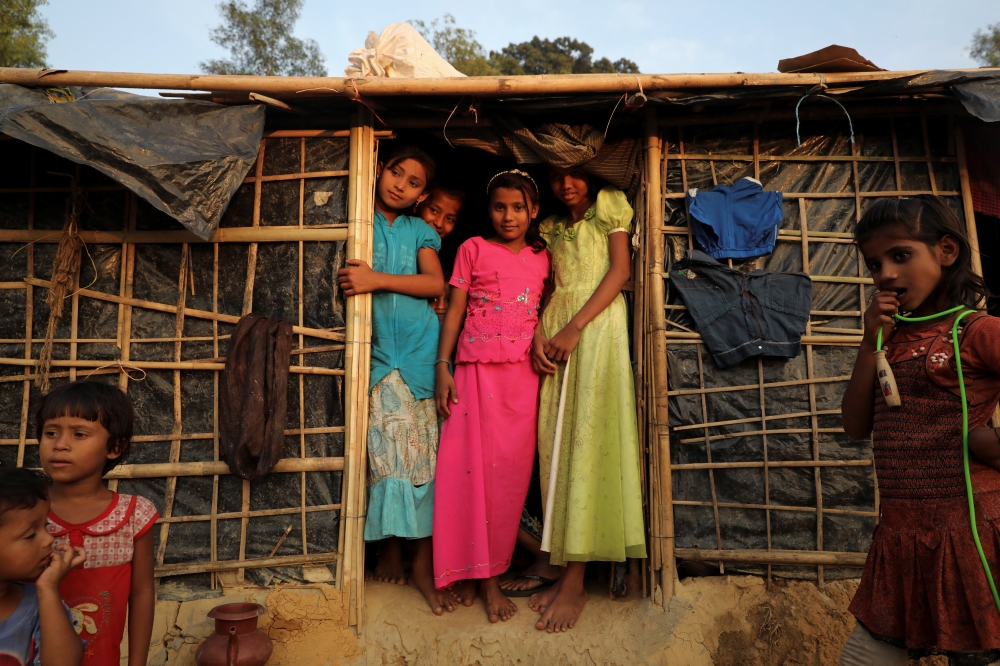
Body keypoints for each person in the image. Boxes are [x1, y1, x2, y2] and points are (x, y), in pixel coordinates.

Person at [840, 196, 1000, 665]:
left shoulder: (975, 331)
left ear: (946, 252)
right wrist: (871, 341)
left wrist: (987, 442)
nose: (885, 274)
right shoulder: (889, 338)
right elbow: (854, 425)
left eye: (900, 255)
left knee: (975, 658)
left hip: (967, 534)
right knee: (863, 659)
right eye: (874, 264)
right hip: (903, 539)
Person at [527, 165, 646, 633]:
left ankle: (576, 580)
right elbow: (551, 287)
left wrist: (575, 327)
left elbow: (620, 272)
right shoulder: (553, 227)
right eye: (556, 177)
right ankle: (559, 564)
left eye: (576, 175)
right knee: (554, 445)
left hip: (595, 329)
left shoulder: (609, 208)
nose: (566, 184)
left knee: (585, 441)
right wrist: (539, 332)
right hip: (558, 326)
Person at [337, 146, 452, 615]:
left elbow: (434, 286)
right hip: (380, 356)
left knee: (424, 456)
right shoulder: (356, 218)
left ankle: (420, 564)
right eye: (395, 173)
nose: (399, 185)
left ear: (421, 195)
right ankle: (388, 546)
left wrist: (375, 280)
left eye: (412, 182)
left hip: (423, 353)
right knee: (385, 451)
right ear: (380, 169)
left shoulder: (420, 229)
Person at [432, 170, 551, 623]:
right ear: (490, 210)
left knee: (508, 484)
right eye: (500, 207)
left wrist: (539, 336)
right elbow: (456, 310)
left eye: (518, 208)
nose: (508, 216)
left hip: (522, 380)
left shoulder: (544, 257)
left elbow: (539, 310)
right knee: (471, 476)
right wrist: (443, 368)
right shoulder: (471, 249)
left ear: (533, 211)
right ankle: (483, 580)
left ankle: (495, 565)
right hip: (474, 375)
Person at [37, 380, 157, 666]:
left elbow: (142, 593)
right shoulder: (25, 509)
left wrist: (137, 663)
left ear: (114, 447)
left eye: (79, 434)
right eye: (50, 432)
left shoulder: (133, 515)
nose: (60, 445)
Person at [0, 467, 86, 666]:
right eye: (30, 534)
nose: (49, 539)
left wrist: (47, 589)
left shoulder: (43, 606)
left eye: (45, 526)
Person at [416, 183, 466, 321]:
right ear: (420, 200)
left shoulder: (453, 256)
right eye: (434, 210)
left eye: (449, 218)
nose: (439, 223)